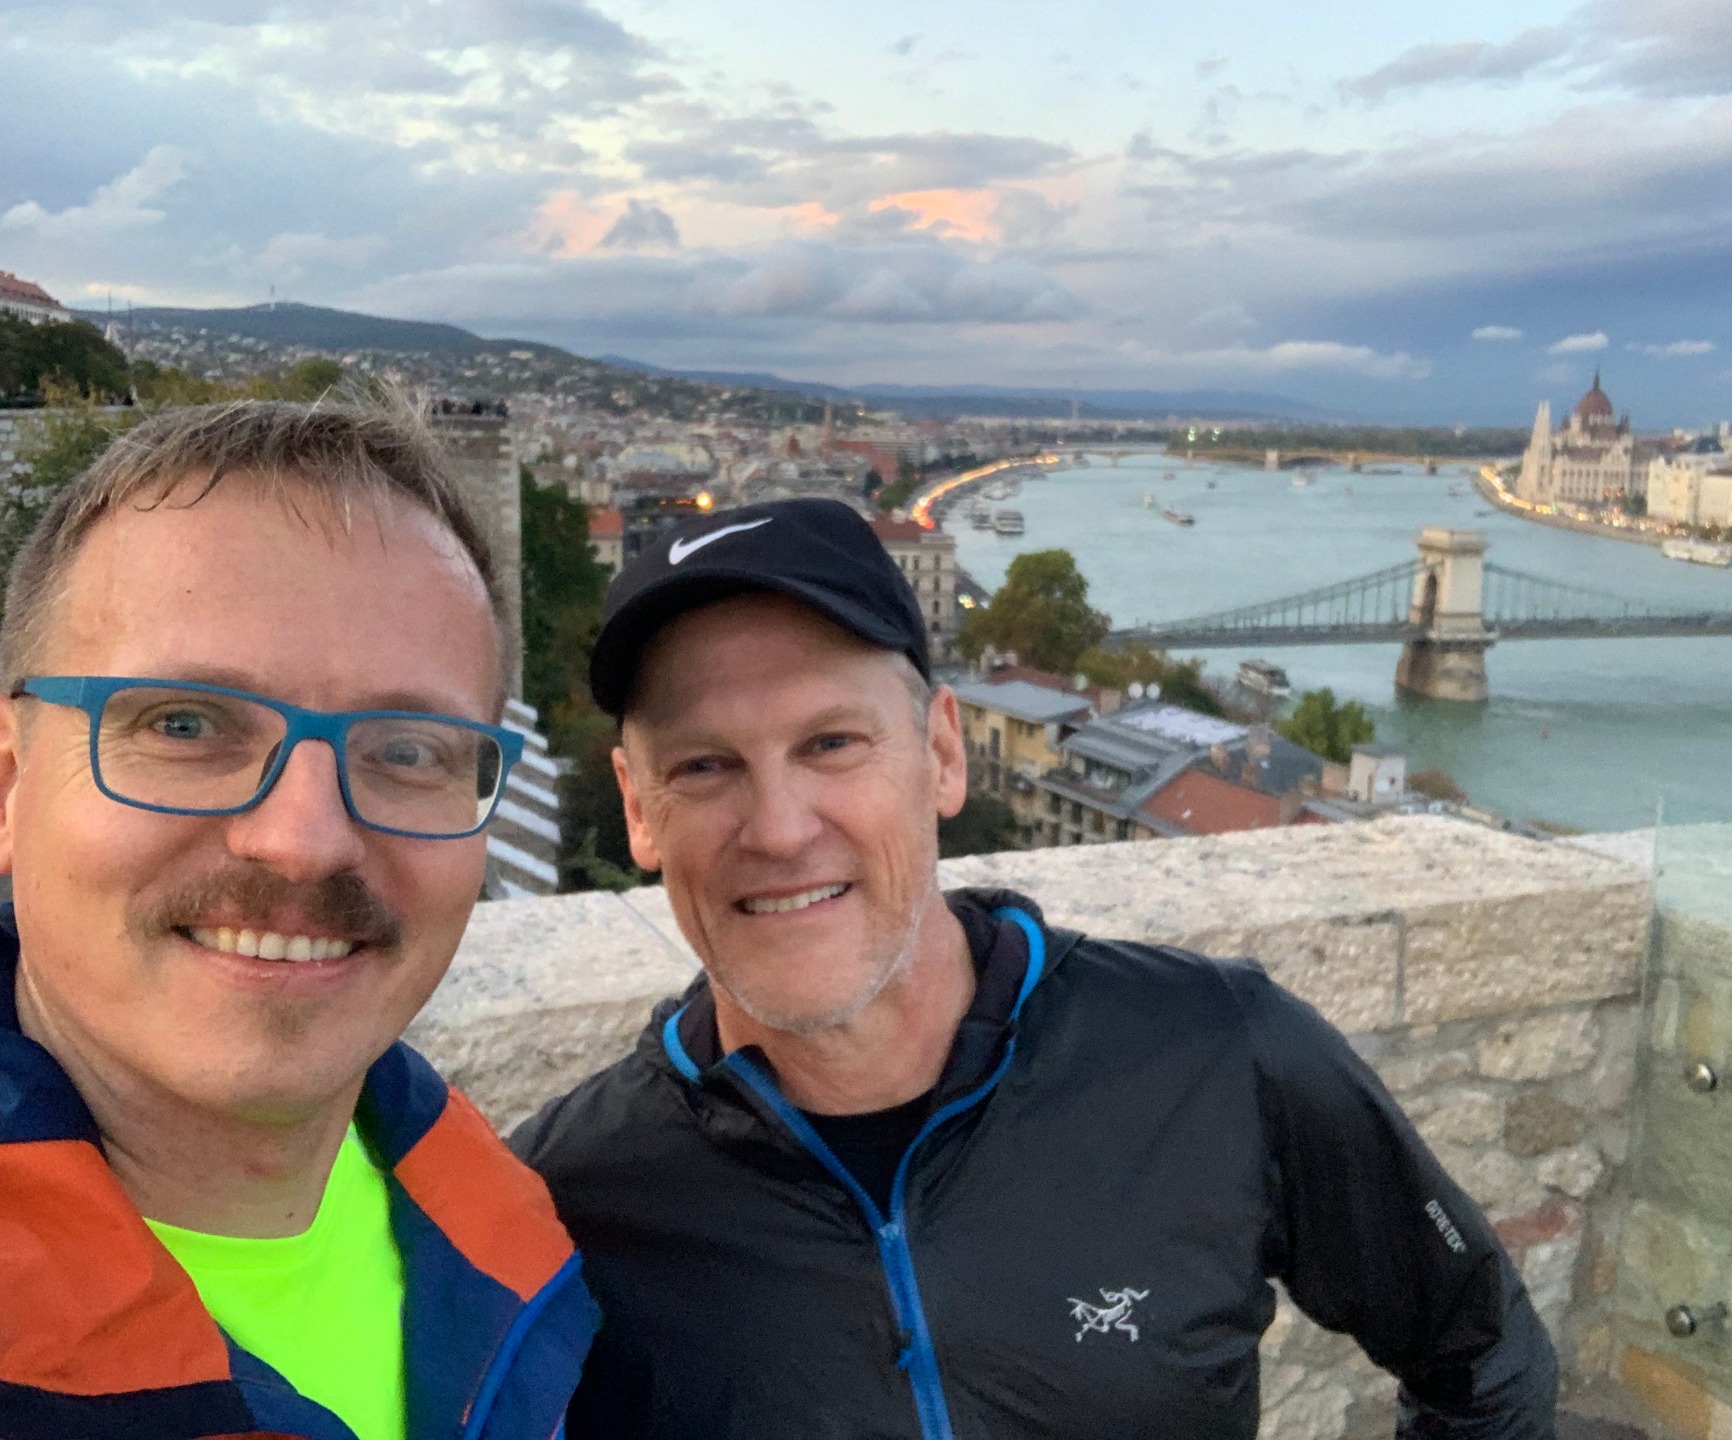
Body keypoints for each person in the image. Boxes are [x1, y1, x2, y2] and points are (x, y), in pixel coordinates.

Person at [515, 496, 1559, 1439]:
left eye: (831, 743)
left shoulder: (1213, 1055)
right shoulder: (561, 1208)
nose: (781, 830)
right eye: (704, 766)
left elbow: (1482, 1357)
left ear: (942, 755)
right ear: (640, 808)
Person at [0, 402, 596, 1440]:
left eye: (407, 750)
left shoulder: (512, 1236)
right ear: (11, 787)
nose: (304, 841)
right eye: (185, 724)